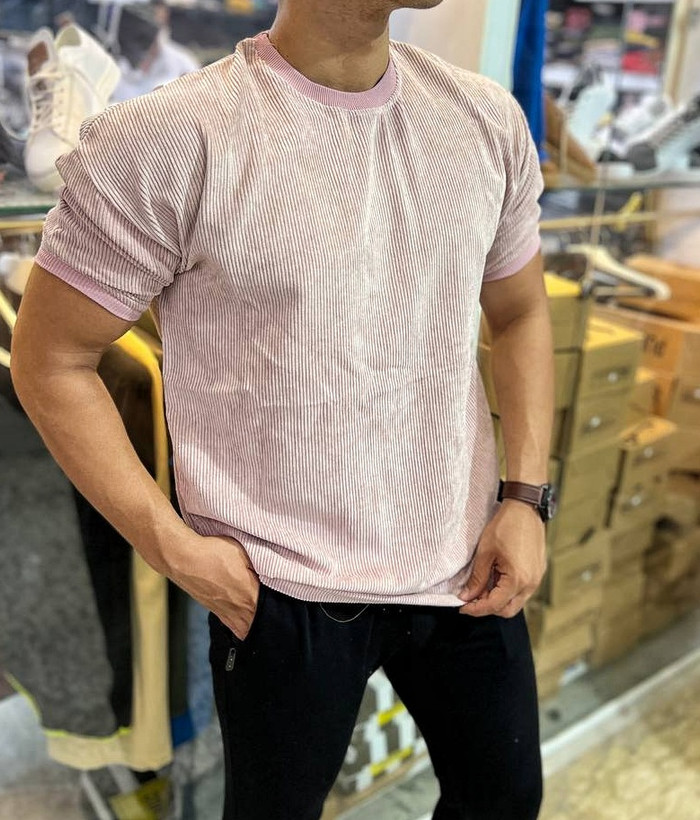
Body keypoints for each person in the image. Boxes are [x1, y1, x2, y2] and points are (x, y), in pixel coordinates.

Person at [11, 0, 555, 817]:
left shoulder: (483, 120)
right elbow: (51, 360)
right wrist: (173, 548)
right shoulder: (169, 138)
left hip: (465, 555)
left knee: (505, 800)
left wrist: (526, 498)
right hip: (280, 587)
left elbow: (520, 313)